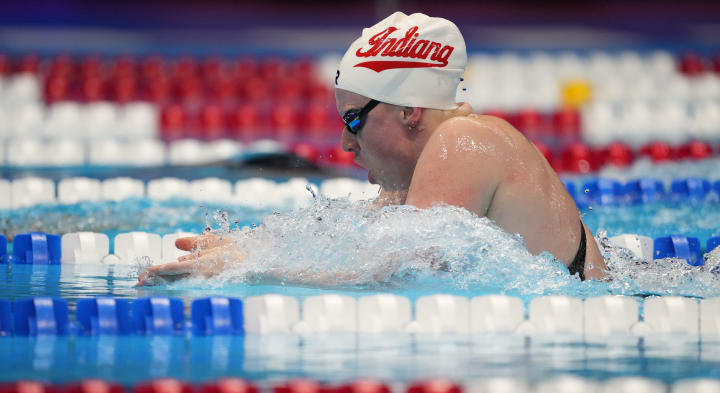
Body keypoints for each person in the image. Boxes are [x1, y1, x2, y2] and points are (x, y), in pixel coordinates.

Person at [137, 12, 606, 286]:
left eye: (354, 120)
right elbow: (353, 247)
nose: (344, 143)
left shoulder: (466, 141)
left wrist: (255, 269)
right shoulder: (423, 174)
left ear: (410, 112)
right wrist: (249, 246)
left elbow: (397, 269)